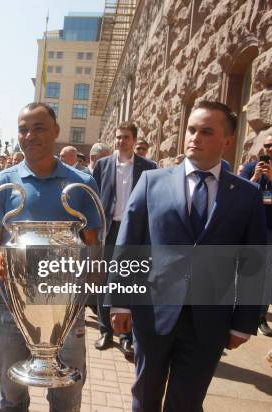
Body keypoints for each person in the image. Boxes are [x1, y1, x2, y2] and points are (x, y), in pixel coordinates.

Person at [109, 101, 266, 411]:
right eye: (192, 129)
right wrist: (120, 300)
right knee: (144, 397)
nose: (194, 137)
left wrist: (243, 323)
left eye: (206, 132)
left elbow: (254, 263)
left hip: (209, 321)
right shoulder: (153, 181)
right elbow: (129, 245)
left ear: (227, 141)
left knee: (188, 402)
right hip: (153, 314)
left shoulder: (246, 195)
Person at [0, 102, 101, 411]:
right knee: (12, 398)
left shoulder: (81, 185)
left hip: (65, 312)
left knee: (66, 398)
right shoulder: (2, 184)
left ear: (56, 131)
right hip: (10, 307)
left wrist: (86, 288)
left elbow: (92, 243)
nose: (30, 135)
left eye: (39, 128)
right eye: (23, 129)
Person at [92, 121, 157, 358]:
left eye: (126, 137)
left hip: (134, 232)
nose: (121, 141)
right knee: (104, 279)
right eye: (118, 137)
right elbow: (94, 198)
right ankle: (105, 331)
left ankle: (127, 335)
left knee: (130, 279)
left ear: (134, 139)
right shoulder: (102, 165)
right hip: (109, 230)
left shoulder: (149, 167)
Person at [239, 125, 272, 337]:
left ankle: (260, 317)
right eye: (267, 145)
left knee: (266, 274)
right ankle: (238, 309)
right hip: (248, 226)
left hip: (271, 229)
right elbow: (239, 195)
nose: (270, 149)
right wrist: (255, 177)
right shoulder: (249, 167)